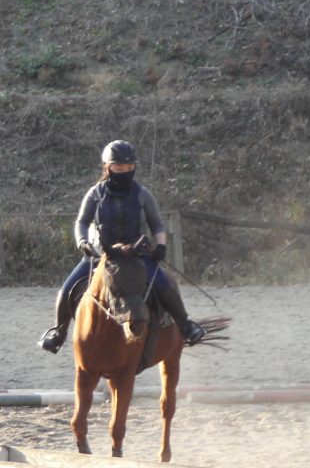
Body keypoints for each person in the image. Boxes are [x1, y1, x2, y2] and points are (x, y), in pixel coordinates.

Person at [38, 139, 206, 354]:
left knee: (165, 285)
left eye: (129, 167)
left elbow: (157, 224)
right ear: (108, 167)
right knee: (66, 289)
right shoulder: (95, 194)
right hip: (100, 255)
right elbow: (81, 222)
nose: (124, 171)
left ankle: (186, 325)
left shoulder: (143, 194)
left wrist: (161, 245)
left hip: (137, 254)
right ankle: (59, 332)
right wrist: (83, 242)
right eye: (119, 168)